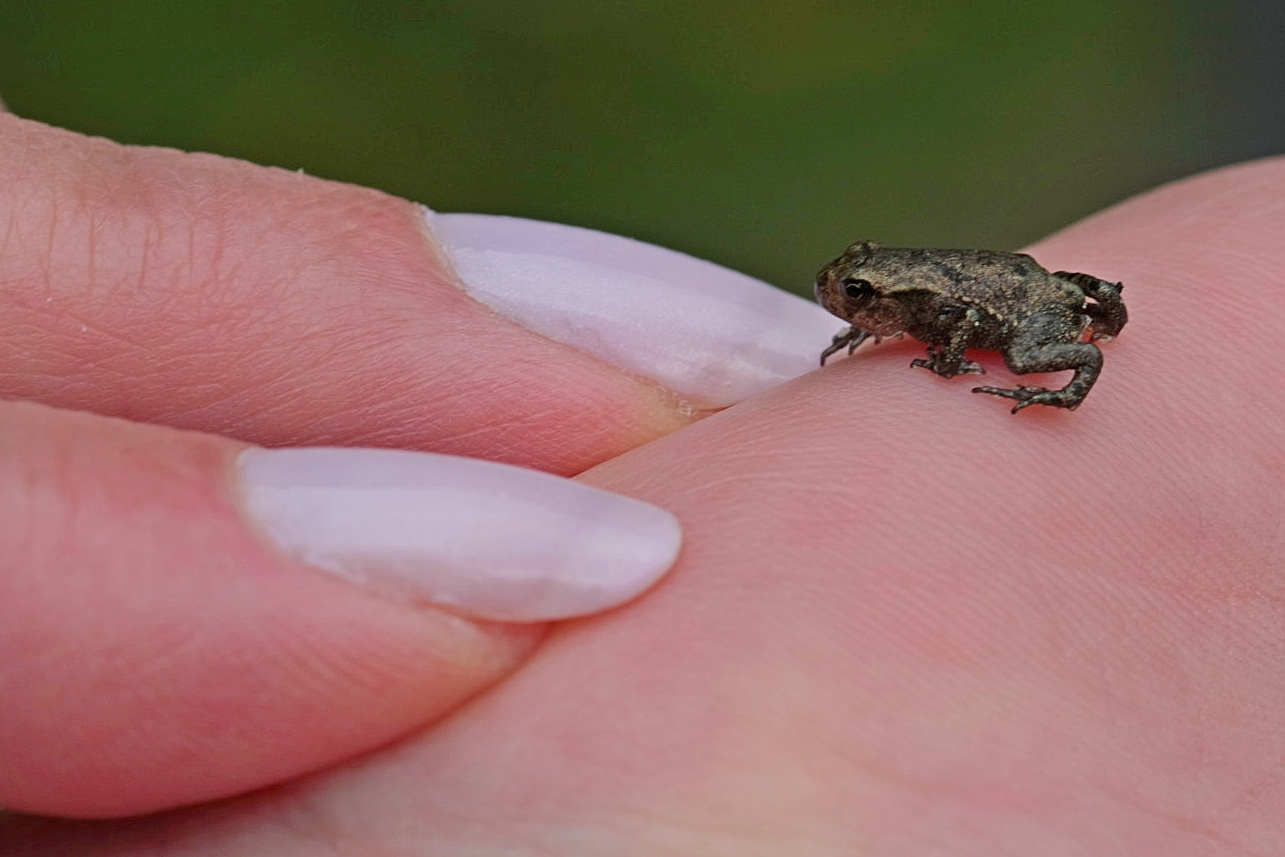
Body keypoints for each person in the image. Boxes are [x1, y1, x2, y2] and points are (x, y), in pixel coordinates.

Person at [2, 106, 1282, 854]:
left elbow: (952, 335)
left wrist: (986, 380)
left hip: (1030, 309)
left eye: (858, 298)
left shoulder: (941, 318)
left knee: (1049, 335)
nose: (847, 307)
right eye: (852, 296)